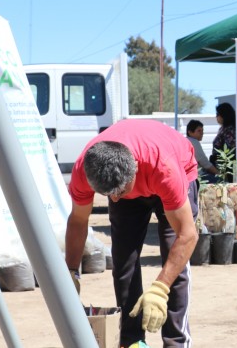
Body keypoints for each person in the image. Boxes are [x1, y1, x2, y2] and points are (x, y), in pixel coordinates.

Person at [65, 119, 199, 348]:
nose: (114, 200)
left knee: (174, 257)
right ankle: (132, 341)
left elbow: (187, 235)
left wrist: (160, 288)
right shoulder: (85, 170)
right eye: (108, 195)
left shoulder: (164, 167)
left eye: (120, 192)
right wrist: (71, 272)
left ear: (135, 168)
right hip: (135, 176)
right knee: (123, 260)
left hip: (172, 170)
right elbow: (78, 221)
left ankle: (176, 341)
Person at [210, 102, 236, 181]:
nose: (216, 117)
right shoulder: (223, 129)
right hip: (220, 167)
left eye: (218, 114)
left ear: (224, 115)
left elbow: (230, 150)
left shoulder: (230, 130)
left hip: (228, 169)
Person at [186, 119, 219, 183]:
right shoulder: (194, 142)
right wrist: (219, 174)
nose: (202, 133)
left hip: (187, 176)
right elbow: (205, 163)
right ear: (190, 132)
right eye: (199, 131)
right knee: (220, 181)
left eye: (202, 130)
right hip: (197, 177)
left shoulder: (185, 141)